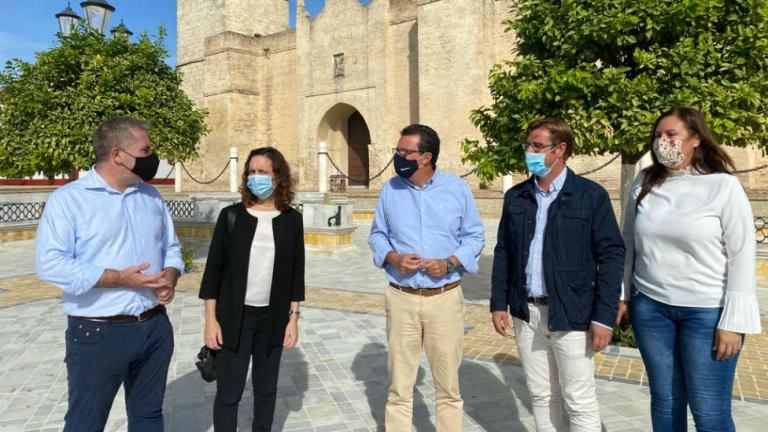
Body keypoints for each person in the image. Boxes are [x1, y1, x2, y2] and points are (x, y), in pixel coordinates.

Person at [618, 107, 761, 431]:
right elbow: (628, 241)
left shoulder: (723, 186)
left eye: (671, 135)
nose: (662, 142)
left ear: (696, 138)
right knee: (665, 402)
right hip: (651, 309)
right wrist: (623, 294)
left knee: (709, 412)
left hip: (707, 313)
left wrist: (733, 322)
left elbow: (741, 254)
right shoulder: (645, 182)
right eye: (658, 135)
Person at [35, 116, 182, 432]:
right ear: (118, 155)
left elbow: (171, 247)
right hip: (98, 333)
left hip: (155, 327)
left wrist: (170, 276)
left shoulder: (151, 196)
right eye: (145, 150)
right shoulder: (68, 200)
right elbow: (51, 264)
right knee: (86, 423)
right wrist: (120, 278)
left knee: (148, 417)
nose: (153, 157)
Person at [490, 118, 625, 431]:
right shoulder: (517, 197)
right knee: (541, 395)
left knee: (578, 399)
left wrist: (604, 317)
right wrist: (499, 303)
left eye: (538, 146)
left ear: (560, 149)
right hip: (527, 313)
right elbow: (504, 252)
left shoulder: (590, 195)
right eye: (528, 145)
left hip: (572, 312)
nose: (530, 152)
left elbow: (611, 255)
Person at [368, 124, 485, 432]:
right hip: (401, 298)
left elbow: (475, 237)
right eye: (398, 150)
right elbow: (377, 235)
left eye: (405, 151)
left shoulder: (456, 189)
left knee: (448, 388)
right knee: (399, 388)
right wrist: (393, 257)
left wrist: (450, 263)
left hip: (444, 299)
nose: (398, 156)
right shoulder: (390, 190)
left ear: (426, 157)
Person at [199, 146, 305, 432]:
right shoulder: (231, 216)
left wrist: (293, 318)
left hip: (273, 317)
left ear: (278, 177)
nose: (256, 177)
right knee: (228, 393)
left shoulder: (291, 220)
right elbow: (213, 272)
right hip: (234, 317)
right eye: (252, 172)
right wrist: (211, 320)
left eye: (263, 172)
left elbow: (297, 273)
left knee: (266, 390)